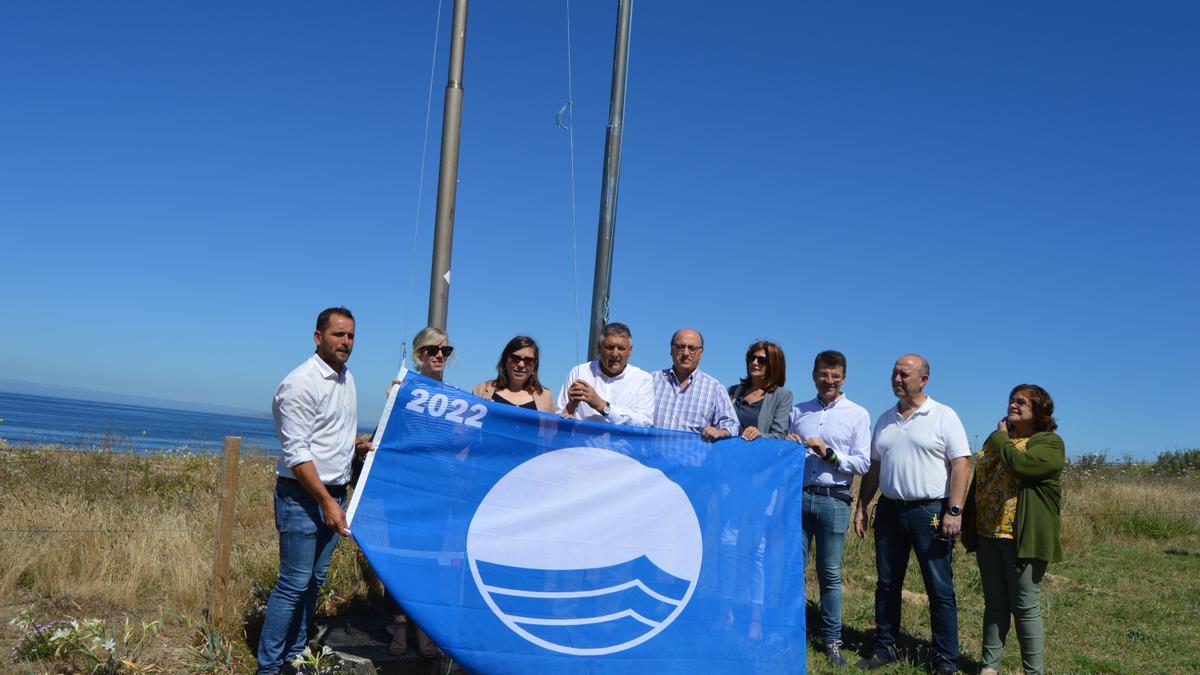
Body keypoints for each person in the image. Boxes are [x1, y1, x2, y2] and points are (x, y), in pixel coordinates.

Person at [257, 307, 374, 674]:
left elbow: (327, 435)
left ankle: (296, 654)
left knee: (315, 581)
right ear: (318, 337)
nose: (346, 342)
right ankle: (270, 666)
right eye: (339, 334)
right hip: (303, 497)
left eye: (351, 335)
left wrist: (355, 445)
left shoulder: (347, 379)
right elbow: (297, 454)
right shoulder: (299, 384)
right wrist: (326, 501)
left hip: (333, 495)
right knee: (293, 583)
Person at [853, 354, 970, 673]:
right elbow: (875, 467)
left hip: (930, 511)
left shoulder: (944, 416)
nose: (897, 379)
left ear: (923, 379)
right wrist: (862, 504)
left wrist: (954, 510)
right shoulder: (885, 419)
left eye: (904, 374)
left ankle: (945, 659)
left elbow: (961, 464)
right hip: (890, 511)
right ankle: (885, 647)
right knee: (887, 583)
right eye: (894, 373)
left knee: (938, 587)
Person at [962, 385, 1064, 675]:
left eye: (1022, 402)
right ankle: (988, 667)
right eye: (1012, 400)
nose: (1013, 405)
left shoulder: (1049, 443)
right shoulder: (999, 441)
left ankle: (1034, 671)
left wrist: (999, 438)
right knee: (994, 604)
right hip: (988, 533)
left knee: (1025, 608)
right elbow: (980, 478)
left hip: (1021, 537)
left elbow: (1023, 466)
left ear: (1040, 410)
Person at [784, 350, 871, 667]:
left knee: (830, 574)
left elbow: (862, 462)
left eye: (835, 375)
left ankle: (832, 640)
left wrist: (829, 454)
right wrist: (790, 443)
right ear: (814, 375)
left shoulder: (857, 414)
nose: (828, 380)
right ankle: (790, 630)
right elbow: (783, 450)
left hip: (835, 499)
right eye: (823, 374)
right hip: (799, 496)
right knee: (793, 569)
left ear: (844, 378)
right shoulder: (798, 411)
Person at [556, 322, 653, 426]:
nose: (615, 354)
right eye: (609, 347)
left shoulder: (642, 379)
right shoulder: (579, 372)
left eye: (621, 348)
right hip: (580, 442)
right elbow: (558, 419)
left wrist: (602, 406)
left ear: (630, 351)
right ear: (599, 348)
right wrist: (571, 406)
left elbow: (645, 423)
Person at [651, 328, 739, 439]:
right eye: (681, 347)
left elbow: (732, 425)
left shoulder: (715, 388)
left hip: (693, 456)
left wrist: (720, 432)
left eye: (692, 348)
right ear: (671, 350)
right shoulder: (651, 381)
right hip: (649, 456)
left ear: (701, 353)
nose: (686, 353)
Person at [727, 341, 793, 440]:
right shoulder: (732, 391)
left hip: (759, 454)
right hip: (730, 453)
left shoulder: (783, 396)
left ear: (773, 365)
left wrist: (760, 435)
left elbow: (779, 435)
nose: (754, 362)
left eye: (761, 360)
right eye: (752, 358)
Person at [473, 336, 555, 412]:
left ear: (534, 366)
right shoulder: (481, 391)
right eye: (515, 358)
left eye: (528, 361)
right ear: (505, 360)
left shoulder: (546, 397)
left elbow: (552, 427)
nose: (521, 365)